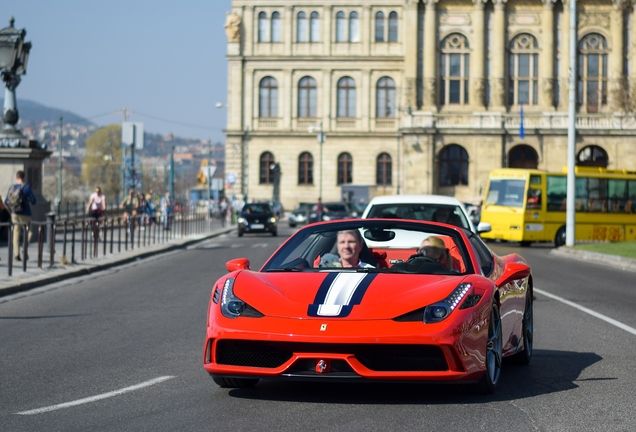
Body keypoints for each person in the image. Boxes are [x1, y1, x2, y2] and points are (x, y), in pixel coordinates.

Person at [4, 170, 37, 261]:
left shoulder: (12, 187)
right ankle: (24, 247)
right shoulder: (27, 187)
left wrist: (11, 212)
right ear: (24, 177)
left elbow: (6, 202)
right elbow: (34, 201)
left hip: (14, 214)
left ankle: (16, 255)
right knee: (29, 231)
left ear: (16, 177)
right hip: (26, 213)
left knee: (16, 233)